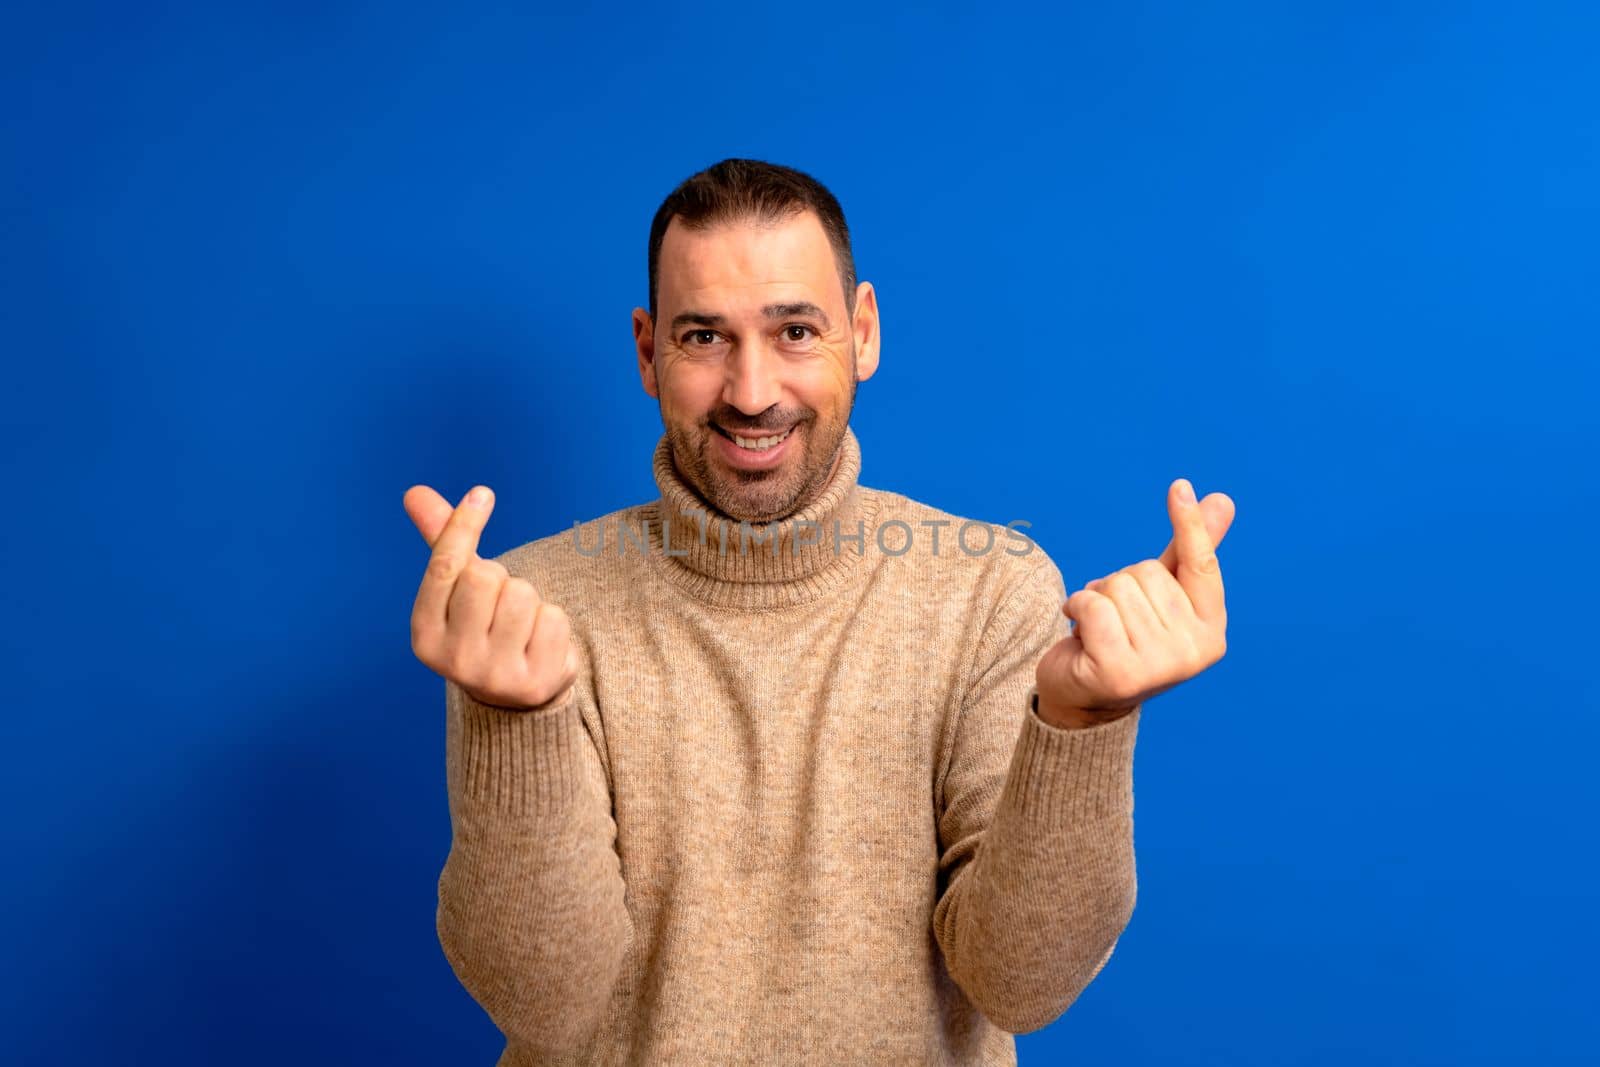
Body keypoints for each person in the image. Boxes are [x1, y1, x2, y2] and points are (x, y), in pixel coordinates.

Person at [404, 158, 1235, 1065]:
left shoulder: (990, 591)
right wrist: (512, 722)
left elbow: (1021, 985)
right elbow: (546, 1002)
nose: (752, 390)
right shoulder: (529, 618)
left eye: (795, 330)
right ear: (647, 352)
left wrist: (1083, 721)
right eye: (703, 338)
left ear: (864, 332)